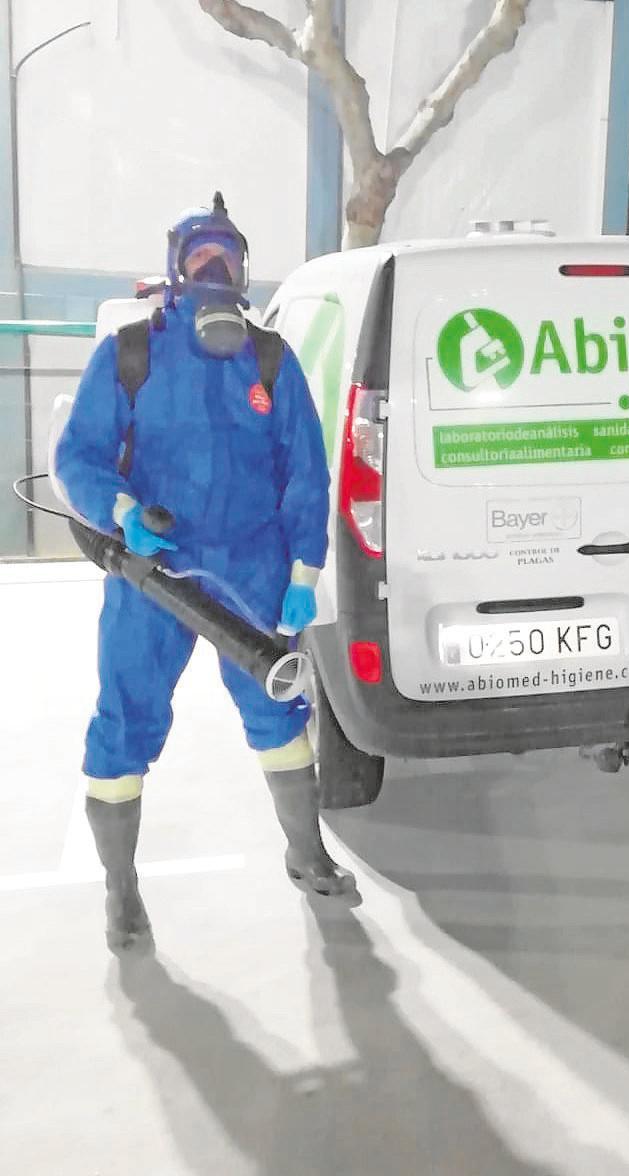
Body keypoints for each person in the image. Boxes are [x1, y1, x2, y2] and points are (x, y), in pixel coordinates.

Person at [55, 193, 355, 954]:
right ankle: (122, 896)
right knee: (123, 725)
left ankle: (305, 850)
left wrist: (303, 567)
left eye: (226, 257)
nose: (213, 270)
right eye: (198, 257)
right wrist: (119, 512)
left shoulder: (269, 359)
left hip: (250, 574)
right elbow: (76, 456)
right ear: (172, 271)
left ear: (245, 272)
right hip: (152, 575)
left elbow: (306, 475)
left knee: (279, 716)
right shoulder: (130, 353)